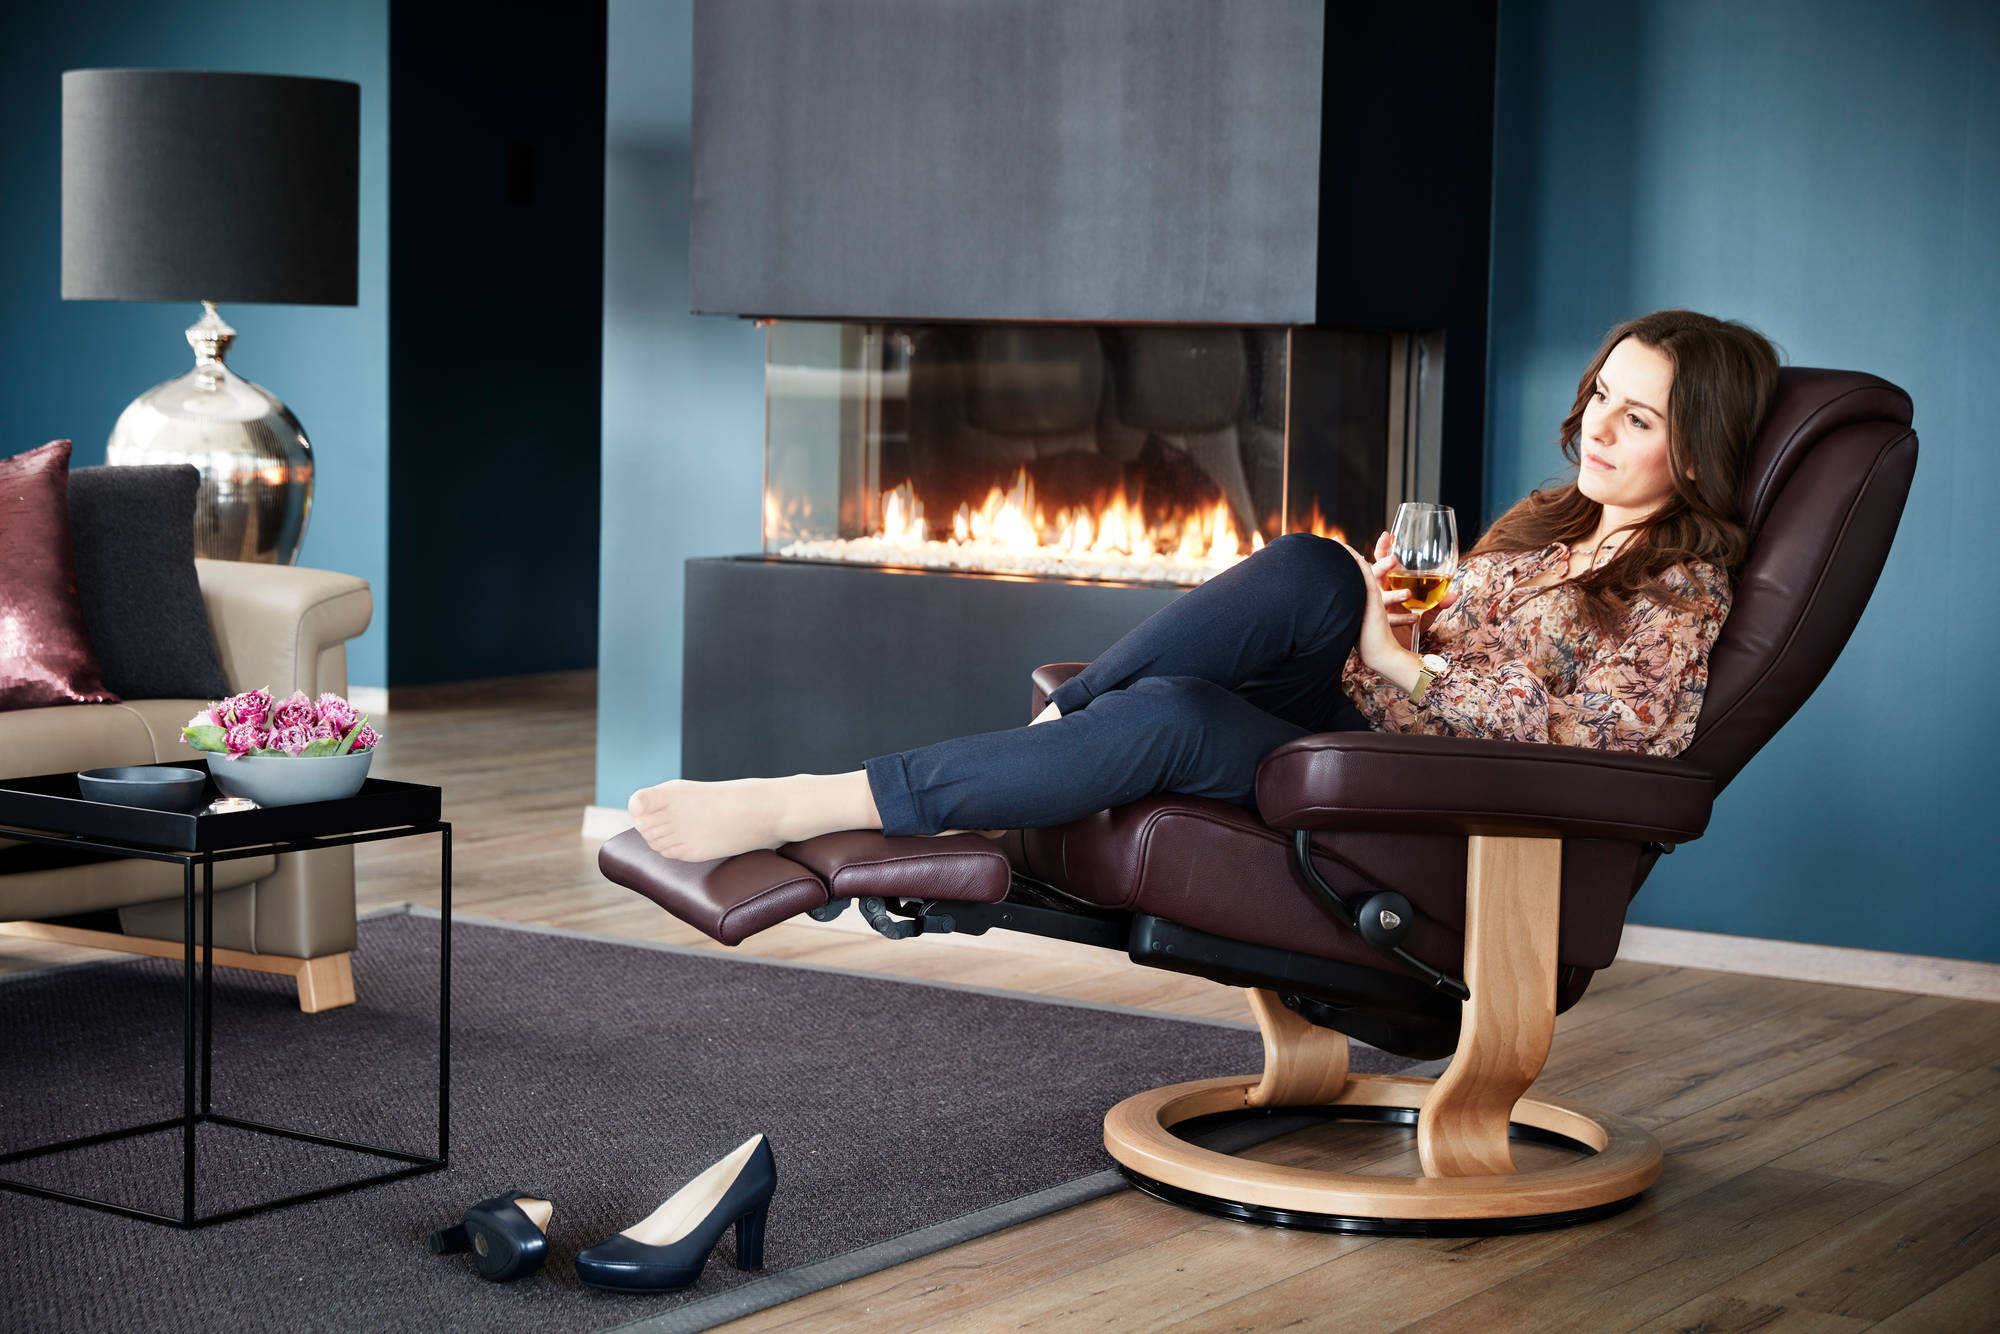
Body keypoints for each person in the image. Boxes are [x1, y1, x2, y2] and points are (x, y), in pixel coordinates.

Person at [630, 309, 1779, 864]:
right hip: (1356, 711)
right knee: (1311, 562)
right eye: (1599, 396)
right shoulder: (1546, 524)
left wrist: (1406, 671)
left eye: (1638, 418)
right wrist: (1383, 619)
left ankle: (810, 800)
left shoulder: (1679, 590)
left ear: (1694, 451)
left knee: (1168, 719)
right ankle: (1058, 729)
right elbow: (1419, 642)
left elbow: (1620, 748)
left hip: (1421, 785)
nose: (1596, 427)